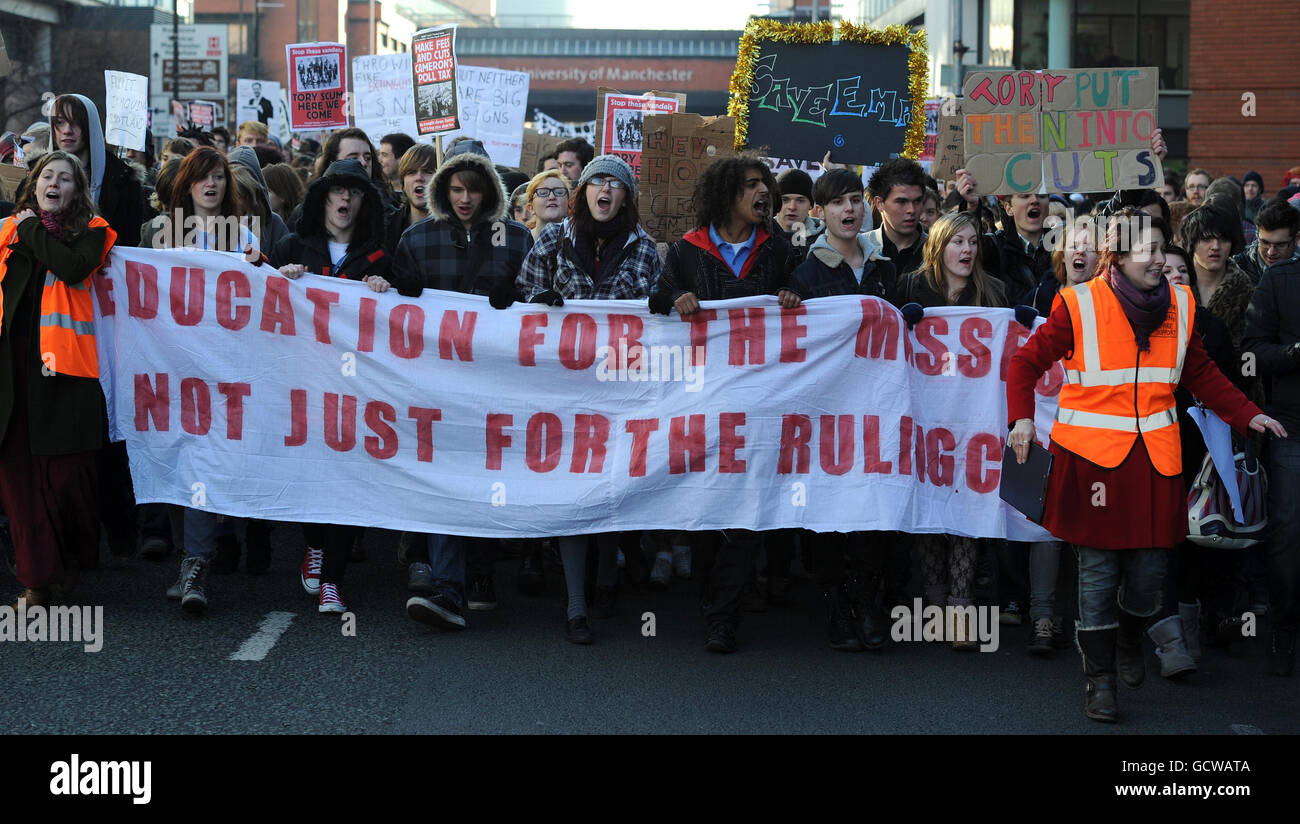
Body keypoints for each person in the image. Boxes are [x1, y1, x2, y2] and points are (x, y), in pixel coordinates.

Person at [1006, 208, 1283, 722]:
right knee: (1095, 573)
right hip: (1090, 463)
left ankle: (1130, 640)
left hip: (1155, 462)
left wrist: (1249, 415)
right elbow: (1024, 364)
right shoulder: (1077, 303)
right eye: (1147, 251)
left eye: (1162, 248)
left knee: (1149, 576)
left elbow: (1203, 374)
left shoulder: (1181, 304)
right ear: (1117, 257)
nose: (1159, 259)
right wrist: (1020, 420)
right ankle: (1100, 682)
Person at [649, 153, 800, 653]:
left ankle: (721, 616)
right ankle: (714, 597)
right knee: (710, 506)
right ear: (726, 195)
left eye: (766, 185)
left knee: (747, 507)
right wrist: (675, 299)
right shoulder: (687, 252)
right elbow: (656, 296)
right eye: (752, 185)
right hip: (704, 401)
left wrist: (792, 296)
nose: (764, 194)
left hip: (759, 402)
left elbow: (804, 295)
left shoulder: (777, 248)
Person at [511, 154, 661, 644]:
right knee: (574, 487)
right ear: (584, 192)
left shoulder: (643, 249)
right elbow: (522, 297)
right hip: (564, 387)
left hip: (620, 386)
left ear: (625, 197)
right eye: (596, 180)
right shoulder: (553, 239)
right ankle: (576, 604)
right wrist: (542, 304)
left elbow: (657, 316)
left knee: (612, 483)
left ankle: (607, 579)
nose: (604, 189)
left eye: (614, 184)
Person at [391, 139, 533, 630]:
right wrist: (395, 289)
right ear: (442, 190)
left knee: (489, 477)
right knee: (447, 477)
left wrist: (515, 297)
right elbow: (389, 307)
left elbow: (537, 300)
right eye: (455, 188)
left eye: (473, 189)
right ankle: (448, 587)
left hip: (498, 384)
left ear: (489, 191)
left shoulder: (517, 239)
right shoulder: (418, 239)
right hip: (437, 385)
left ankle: (482, 572)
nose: (464, 198)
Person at [271, 159, 392, 613]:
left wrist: (388, 286)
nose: (345, 200)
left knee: (344, 482)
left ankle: (332, 581)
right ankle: (314, 544)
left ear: (365, 202)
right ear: (323, 197)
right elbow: (254, 297)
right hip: (301, 384)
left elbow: (409, 310)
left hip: (355, 391)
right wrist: (275, 280)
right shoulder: (291, 246)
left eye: (355, 193)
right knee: (308, 476)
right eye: (338, 191)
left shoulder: (378, 254)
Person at [0, 151, 117, 607]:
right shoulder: (8, 230)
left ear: (76, 190)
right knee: (19, 482)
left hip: (64, 374)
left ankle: (71, 559)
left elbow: (70, 268)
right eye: (46, 174)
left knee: (67, 479)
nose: (54, 182)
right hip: (11, 374)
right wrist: (25, 227)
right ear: (34, 184)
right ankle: (36, 578)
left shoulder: (94, 231)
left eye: (65, 178)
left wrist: (33, 228)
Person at [787, 168, 898, 651]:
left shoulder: (886, 269)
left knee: (870, 507)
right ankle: (837, 605)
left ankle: (865, 603)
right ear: (820, 213)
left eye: (855, 200)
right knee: (830, 510)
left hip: (876, 409)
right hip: (826, 413)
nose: (849, 210)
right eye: (837, 203)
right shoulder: (805, 272)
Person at [890, 212, 1008, 649]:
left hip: (974, 422)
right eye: (958, 241)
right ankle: (934, 604)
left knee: (967, 506)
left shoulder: (993, 293)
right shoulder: (908, 287)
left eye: (973, 241)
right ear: (939, 246)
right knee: (928, 507)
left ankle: (960, 609)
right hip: (924, 420)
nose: (968, 250)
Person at [1244, 254, 1300, 676]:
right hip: (1291, 426)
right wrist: (1294, 352)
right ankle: (1283, 628)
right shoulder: (1280, 280)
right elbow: (1252, 353)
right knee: (1287, 529)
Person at [865, 158, 929, 277]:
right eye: (901, 202)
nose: (911, 210)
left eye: (917, 201)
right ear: (879, 203)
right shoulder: (861, 248)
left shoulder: (937, 250)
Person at [382, 142, 436, 252]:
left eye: (428, 171)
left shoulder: (457, 229)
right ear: (403, 184)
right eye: (412, 172)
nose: (419, 178)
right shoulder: (386, 230)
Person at [1235, 197, 1299, 285]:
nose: (1271, 252)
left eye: (1280, 245)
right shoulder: (1237, 268)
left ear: (1296, 240)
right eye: (1265, 243)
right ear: (1257, 236)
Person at [523, 169, 569, 241]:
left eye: (559, 192)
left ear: (568, 204)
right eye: (543, 193)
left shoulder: (579, 242)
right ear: (531, 208)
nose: (552, 197)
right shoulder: (519, 241)